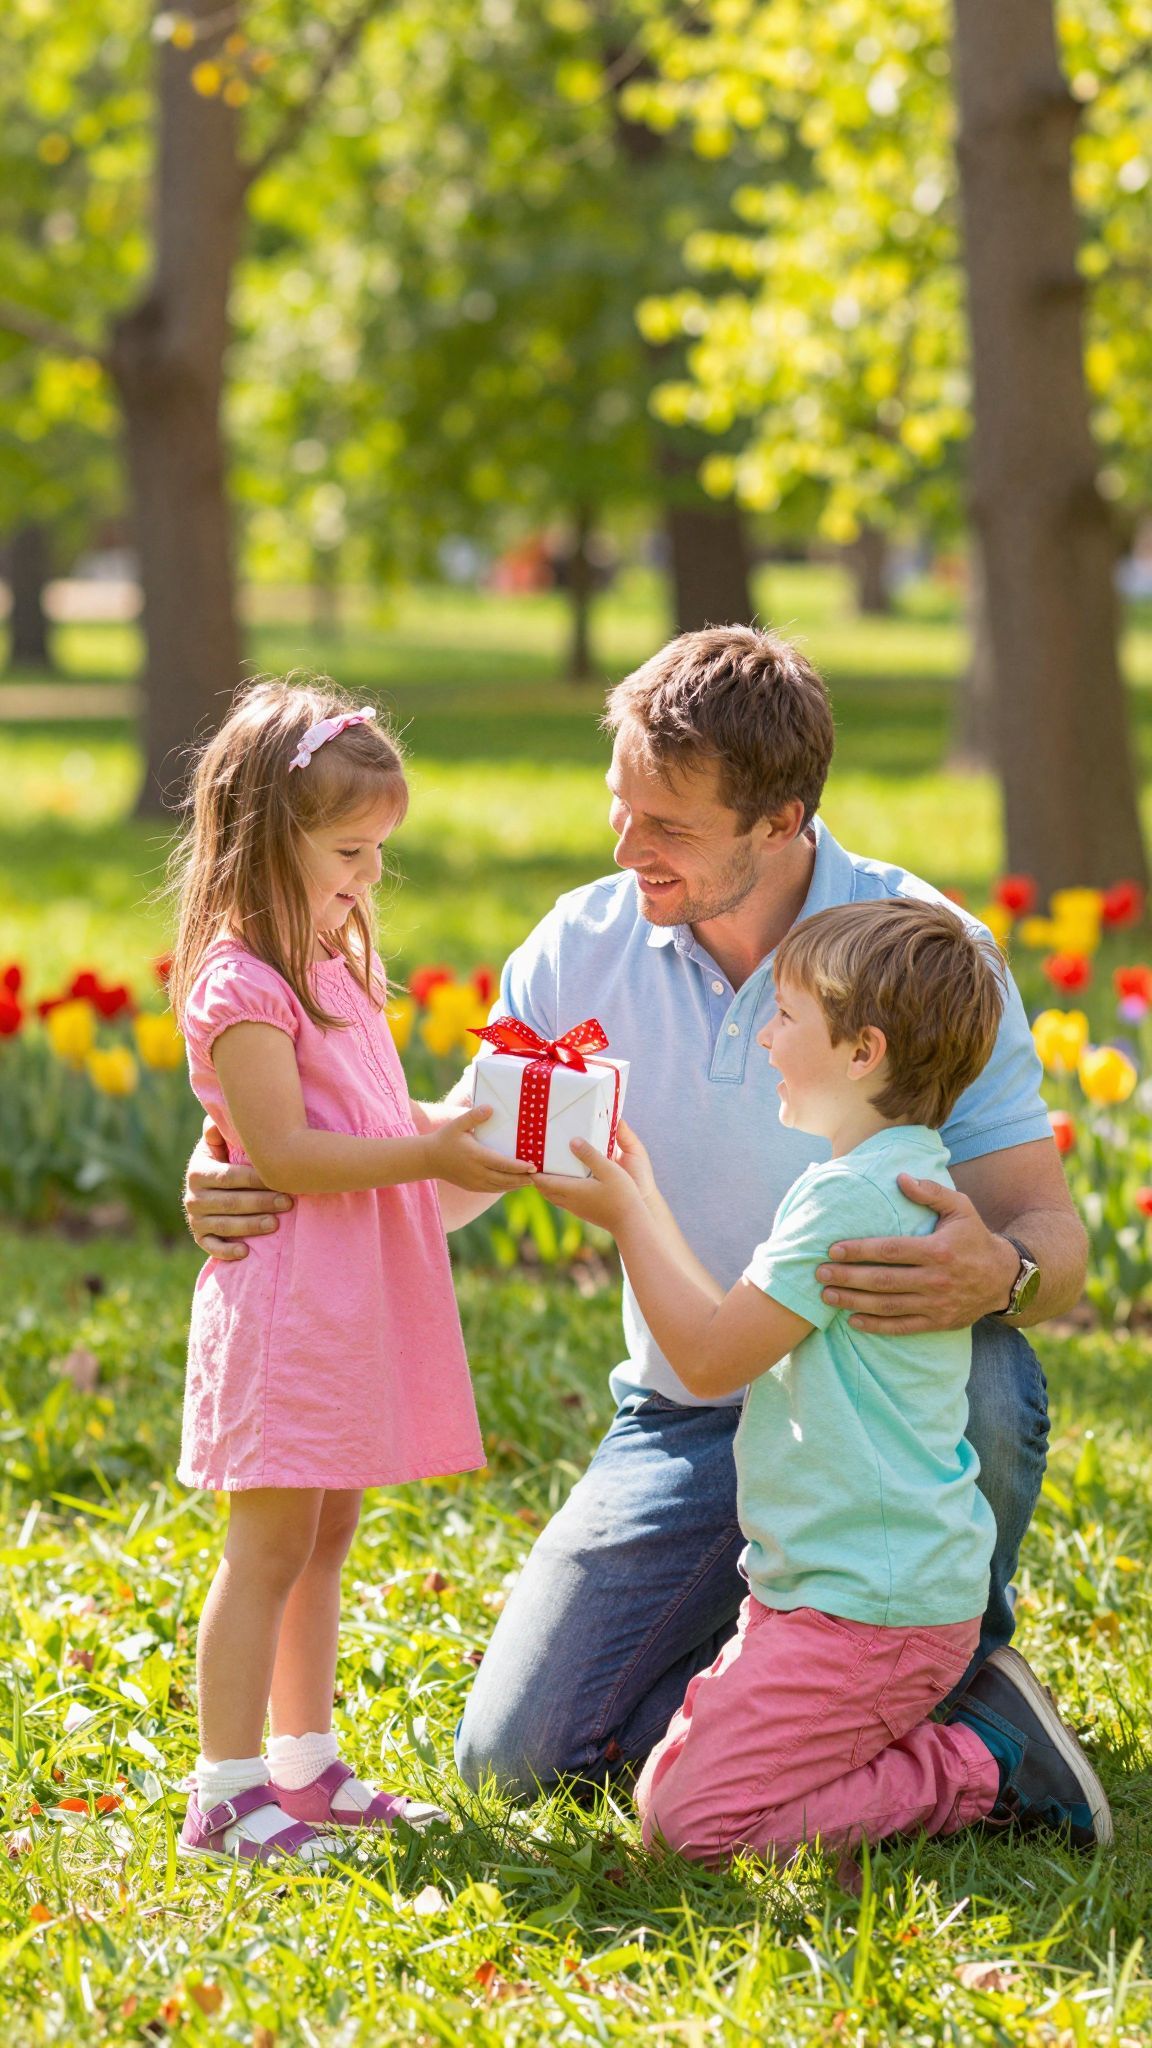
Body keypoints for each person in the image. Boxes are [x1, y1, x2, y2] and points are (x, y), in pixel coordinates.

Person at [181, 627, 1104, 1842]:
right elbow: (460, 1163)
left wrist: (1008, 1269)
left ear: (782, 819)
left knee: (985, 1381)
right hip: (690, 1408)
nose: (629, 850)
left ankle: (931, 1680)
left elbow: (1054, 1233)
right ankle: (807, 1686)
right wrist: (257, 1153)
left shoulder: (917, 955)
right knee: (516, 1761)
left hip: (880, 1397)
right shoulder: (583, 944)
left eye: (668, 826)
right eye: (622, 808)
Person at [534, 898, 1110, 1861]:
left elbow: (714, 1355)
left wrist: (627, 1220)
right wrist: (638, 1198)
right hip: (849, 1591)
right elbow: (729, 1317)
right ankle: (950, 1729)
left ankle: (982, 1759)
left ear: (861, 1053)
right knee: (666, 1789)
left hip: (866, 1612)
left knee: (688, 1826)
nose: (764, 1036)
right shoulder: (897, 1172)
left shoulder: (847, 1194)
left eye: (788, 1016)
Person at [169, 678, 533, 1867]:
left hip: (346, 1301)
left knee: (326, 1535)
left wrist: (477, 1125)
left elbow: (371, 1109)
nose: (370, 877)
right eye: (350, 852)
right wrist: (429, 1147)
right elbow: (284, 1148)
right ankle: (224, 1790)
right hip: (286, 1301)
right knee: (266, 1544)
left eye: (379, 851)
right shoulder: (241, 983)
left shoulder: (328, 959)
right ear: (265, 840)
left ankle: (304, 1760)